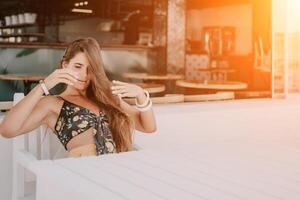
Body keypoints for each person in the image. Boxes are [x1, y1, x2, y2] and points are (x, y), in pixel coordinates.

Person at [0, 37, 156, 157]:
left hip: (120, 170)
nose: (84, 75)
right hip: (85, 175)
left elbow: (148, 127)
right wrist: (44, 86)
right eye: (78, 67)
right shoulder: (53, 104)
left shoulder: (106, 98)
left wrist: (141, 96)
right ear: (64, 65)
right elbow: (7, 130)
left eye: (90, 69)